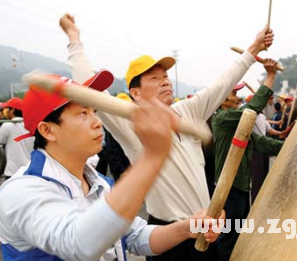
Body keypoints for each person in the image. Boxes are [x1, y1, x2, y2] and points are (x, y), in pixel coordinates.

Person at [60, 13, 273, 261]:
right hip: (169, 237)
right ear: (135, 93)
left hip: (206, 230)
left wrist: (254, 48)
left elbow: (221, 84)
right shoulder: (130, 122)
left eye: (165, 77)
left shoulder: (187, 111)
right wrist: (74, 37)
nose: (165, 82)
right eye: (154, 78)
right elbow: (89, 86)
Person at [0, 73, 222, 261]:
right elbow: (78, 243)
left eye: (94, 112)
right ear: (48, 130)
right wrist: (153, 155)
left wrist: (188, 227)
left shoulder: (100, 185)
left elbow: (135, 237)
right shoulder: (21, 191)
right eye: (82, 113)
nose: (97, 122)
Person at [212, 59, 284, 261]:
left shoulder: (235, 121)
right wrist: (270, 76)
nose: (238, 98)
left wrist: (290, 145)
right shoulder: (223, 119)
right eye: (234, 94)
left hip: (241, 186)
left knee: (239, 233)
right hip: (230, 188)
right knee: (229, 237)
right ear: (221, 100)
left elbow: (260, 143)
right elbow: (251, 110)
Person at [0, 97, 34, 179]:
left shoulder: (7, 126)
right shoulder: (31, 125)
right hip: (29, 171)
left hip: (13, 172)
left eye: (6, 108)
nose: (5, 111)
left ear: (12, 110)